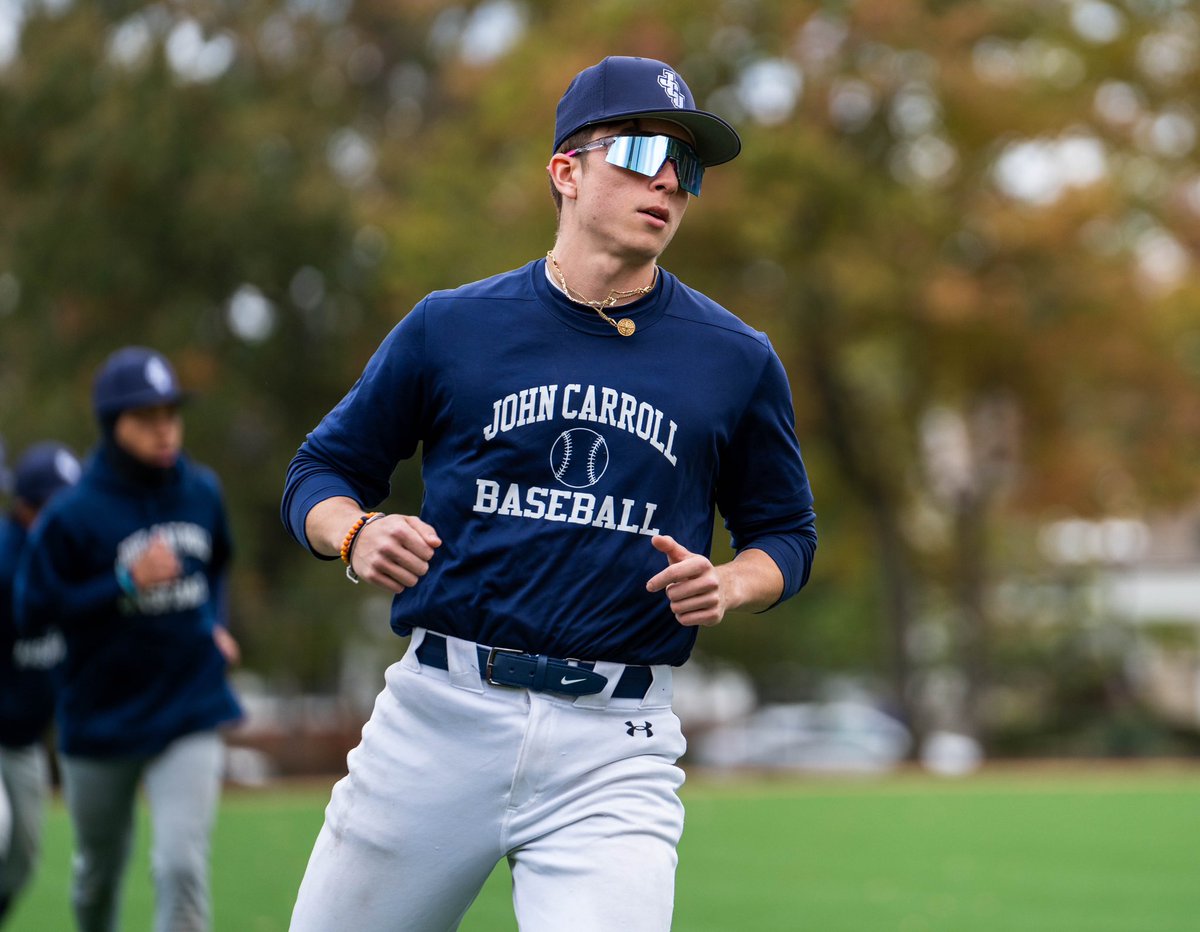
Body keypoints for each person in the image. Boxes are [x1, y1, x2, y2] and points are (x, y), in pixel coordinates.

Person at [280, 55, 817, 932]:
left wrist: (731, 582)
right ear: (566, 171)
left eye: (690, 168)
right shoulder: (452, 326)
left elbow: (787, 535)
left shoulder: (736, 358)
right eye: (646, 151)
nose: (671, 183)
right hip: (439, 719)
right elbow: (317, 474)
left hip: (616, 746)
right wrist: (353, 534)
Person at [14, 347, 243, 932]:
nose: (165, 429)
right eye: (146, 417)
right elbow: (32, 611)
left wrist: (216, 624)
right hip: (100, 719)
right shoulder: (72, 514)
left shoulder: (202, 492)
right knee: (97, 876)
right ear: (113, 426)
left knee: (180, 867)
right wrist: (119, 583)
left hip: (188, 706)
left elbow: (218, 563)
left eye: (171, 413)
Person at [0, 441, 81, 924]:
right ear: (26, 506)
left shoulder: (69, 551)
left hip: (26, 739)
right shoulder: (7, 559)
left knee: (22, 859)